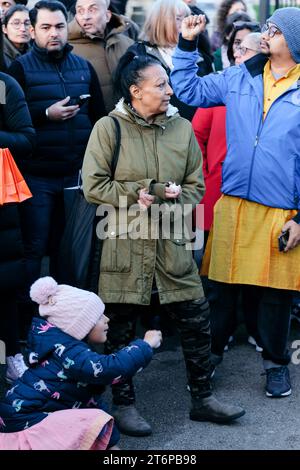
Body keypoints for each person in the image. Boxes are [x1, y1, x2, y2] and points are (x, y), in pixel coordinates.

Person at [82, 50, 245, 437]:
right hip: (124, 242)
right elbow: (94, 186)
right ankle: (123, 406)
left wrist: (175, 199)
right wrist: (143, 192)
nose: (171, 91)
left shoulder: (181, 128)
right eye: (161, 85)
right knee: (119, 329)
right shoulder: (109, 128)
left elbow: (196, 185)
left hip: (172, 242)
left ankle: (202, 399)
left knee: (195, 318)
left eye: (169, 83)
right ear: (136, 91)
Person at [171, 8, 300, 398]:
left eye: (274, 30)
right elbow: (188, 90)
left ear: (293, 42)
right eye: (266, 27)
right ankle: (209, 358)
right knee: (220, 292)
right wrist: (186, 42)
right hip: (233, 203)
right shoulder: (239, 75)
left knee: (276, 298)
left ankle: (276, 365)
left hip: (283, 210)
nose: (266, 34)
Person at [8, 1, 106, 328]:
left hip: (76, 175)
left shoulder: (83, 67)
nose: (54, 34)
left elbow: (100, 119)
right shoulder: (18, 70)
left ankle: (69, 320)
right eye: (46, 28)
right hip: (35, 176)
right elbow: (9, 126)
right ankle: (28, 325)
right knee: (34, 249)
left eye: (59, 27)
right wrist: (44, 115)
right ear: (32, 31)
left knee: (71, 251)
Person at [0, 277, 162, 450]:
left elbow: (86, 400)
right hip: (29, 426)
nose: (107, 319)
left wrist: (108, 440)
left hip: (22, 422)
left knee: (96, 420)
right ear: (80, 325)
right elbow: (110, 369)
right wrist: (144, 346)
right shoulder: (71, 354)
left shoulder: (61, 347)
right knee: (93, 420)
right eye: (99, 316)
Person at [192, 31, 263, 355]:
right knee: (216, 272)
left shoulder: (273, 92)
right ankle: (220, 337)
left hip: (259, 196)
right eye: (238, 48)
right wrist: (206, 171)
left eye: (247, 49)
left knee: (253, 270)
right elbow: (196, 133)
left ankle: (251, 329)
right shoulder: (224, 87)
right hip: (216, 192)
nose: (240, 55)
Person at [0, 28, 35, 383]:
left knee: (5, 287)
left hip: (2, 203)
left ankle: (9, 355)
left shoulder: (3, 85)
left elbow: (26, 139)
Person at [68, 0, 134, 113]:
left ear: (107, 15)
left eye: (92, 10)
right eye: (80, 11)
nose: (85, 17)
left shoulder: (128, 44)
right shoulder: (67, 50)